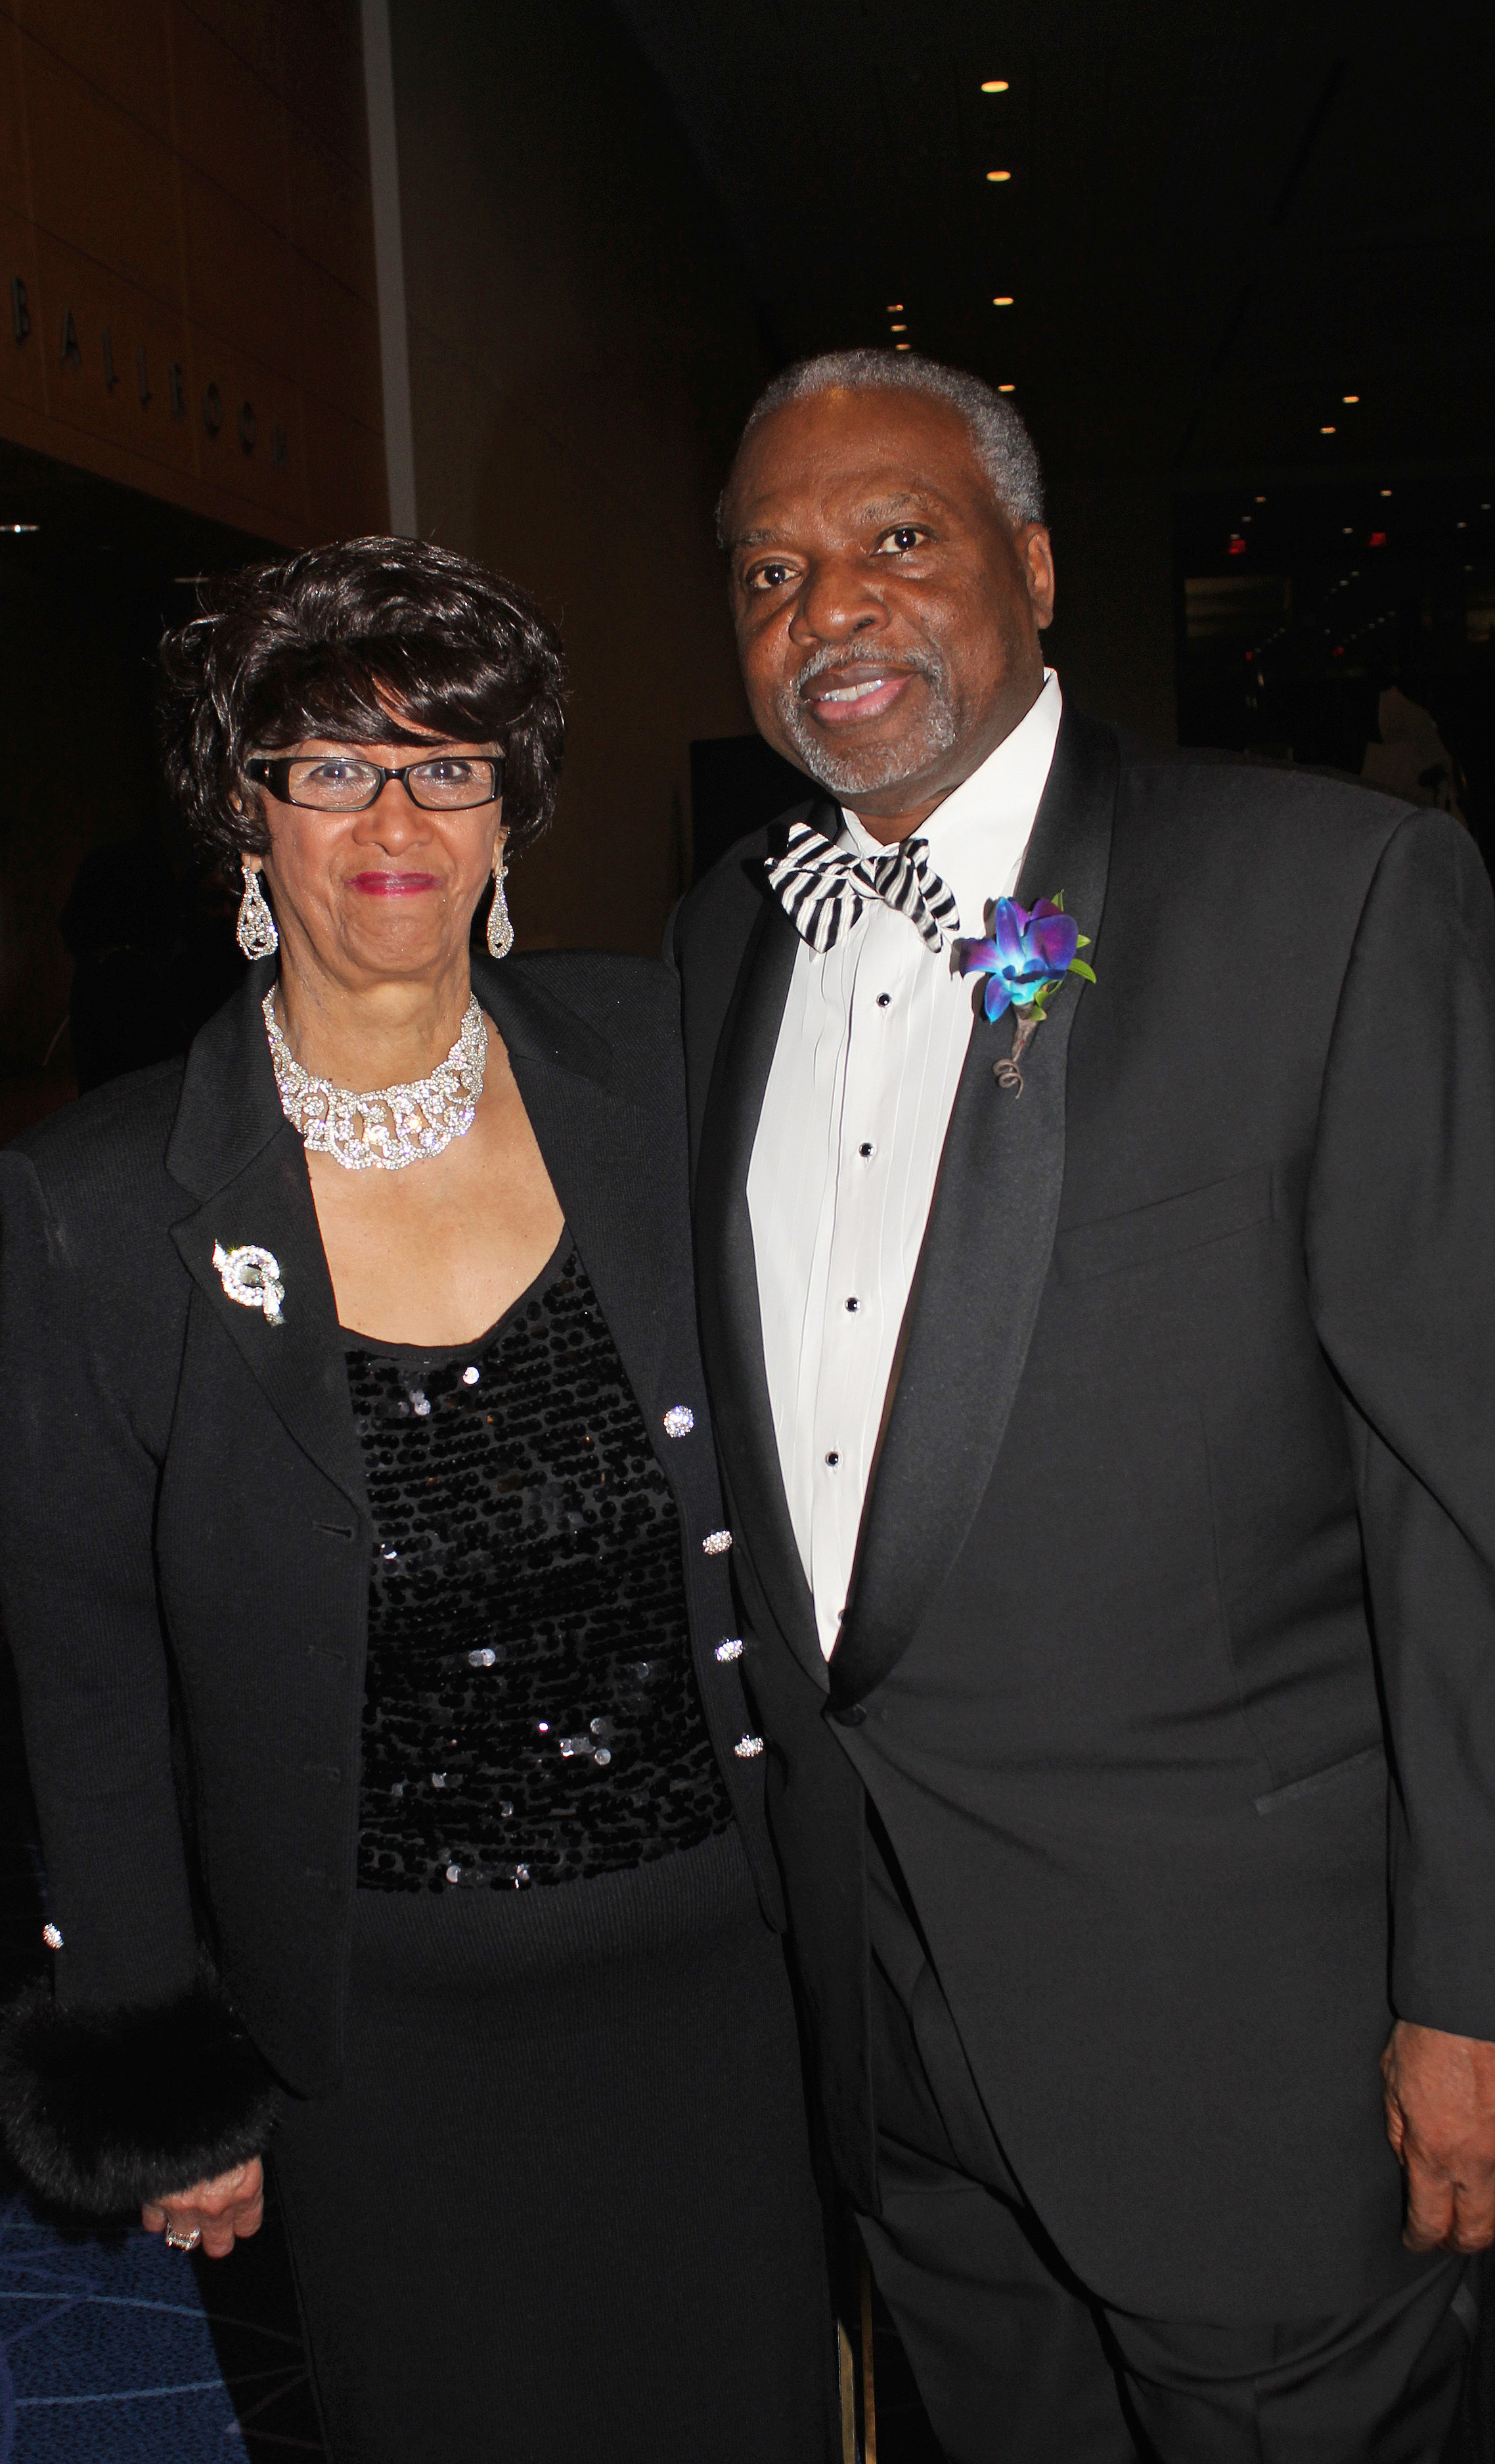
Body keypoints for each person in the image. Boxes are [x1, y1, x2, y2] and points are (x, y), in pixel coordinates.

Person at [666, 350, 1495, 2460]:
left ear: (1032, 568)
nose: (826, 608)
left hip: (1250, 2040)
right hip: (892, 2033)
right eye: (769, 570)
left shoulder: (1328, 900)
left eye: (895, 540)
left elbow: (1453, 1494)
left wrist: (1471, 1983)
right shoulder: (716, 958)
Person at [0, 535, 835, 2464]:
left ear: (509, 812)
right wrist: (158, 2056)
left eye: (449, 764)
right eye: (330, 764)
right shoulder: (105, 1203)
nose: (395, 814)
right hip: (378, 2025)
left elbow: (973, 1024)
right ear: (242, 814)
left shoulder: (659, 1057)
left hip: (720, 1974)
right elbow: (90, 1678)